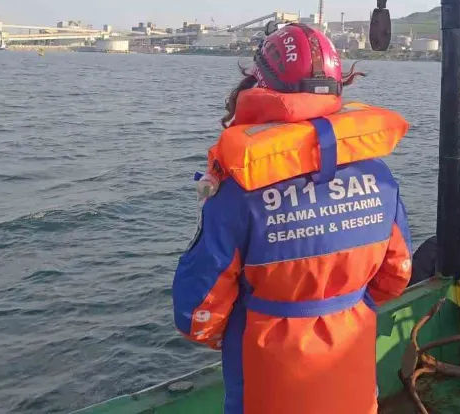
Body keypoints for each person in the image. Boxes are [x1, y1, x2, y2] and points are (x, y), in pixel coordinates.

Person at [172, 23, 413, 414]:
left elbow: (197, 311)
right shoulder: (380, 178)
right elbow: (396, 275)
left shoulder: (237, 189)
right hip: (352, 378)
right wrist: (339, 303)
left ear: (260, 85)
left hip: (266, 387)